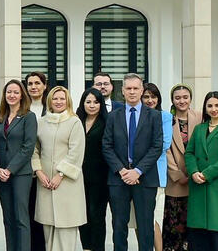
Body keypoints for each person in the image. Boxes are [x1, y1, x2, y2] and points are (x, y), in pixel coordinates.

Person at [102, 73, 162, 251]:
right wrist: (122, 171)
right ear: (122, 91)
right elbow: (107, 146)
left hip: (145, 178)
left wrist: (137, 171)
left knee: (145, 226)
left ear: (142, 90)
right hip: (118, 179)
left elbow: (157, 146)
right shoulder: (113, 116)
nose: (132, 92)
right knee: (119, 226)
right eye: (128, 88)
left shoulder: (154, 116)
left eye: (136, 88)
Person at [183, 92, 218, 251]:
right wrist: (193, 171)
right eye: (210, 106)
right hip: (197, 184)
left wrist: (206, 174)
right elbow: (189, 152)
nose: (213, 109)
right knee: (198, 234)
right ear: (205, 109)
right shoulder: (199, 129)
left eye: (217, 105)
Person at [33, 87, 86, 251]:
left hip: (67, 184)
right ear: (49, 100)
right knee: (48, 230)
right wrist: (39, 171)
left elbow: (76, 152)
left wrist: (61, 174)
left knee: (66, 230)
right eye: (55, 99)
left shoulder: (74, 122)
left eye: (62, 98)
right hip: (45, 183)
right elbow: (34, 150)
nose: (58, 102)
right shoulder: (41, 122)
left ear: (68, 101)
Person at [0, 79, 37, 251]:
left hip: (20, 174)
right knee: (8, 218)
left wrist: (10, 169)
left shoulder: (28, 116)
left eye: (16, 92)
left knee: (21, 217)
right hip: (2, 174)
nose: (12, 95)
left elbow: (28, 147)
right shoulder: (0, 118)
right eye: (9, 92)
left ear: (22, 95)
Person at [162, 84, 200, 251]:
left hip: (196, 178)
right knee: (174, 225)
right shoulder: (166, 119)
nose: (182, 101)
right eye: (177, 98)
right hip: (175, 180)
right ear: (172, 100)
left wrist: (194, 172)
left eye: (185, 97)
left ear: (190, 98)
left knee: (193, 224)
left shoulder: (200, 117)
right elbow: (165, 149)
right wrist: (177, 174)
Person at [136, 83, 173, 251]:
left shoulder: (164, 116)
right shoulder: (134, 116)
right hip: (134, 176)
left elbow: (163, 144)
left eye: (153, 97)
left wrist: (138, 164)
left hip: (155, 173)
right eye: (146, 97)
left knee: (152, 219)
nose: (150, 100)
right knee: (139, 219)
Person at [77, 88, 109, 251]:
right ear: (83, 103)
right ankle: (86, 247)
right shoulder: (76, 121)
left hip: (101, 177)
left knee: (97, 215)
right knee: (83, 215)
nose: (92, 105)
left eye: (96, 102)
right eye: (88, 102)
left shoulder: (107, 121)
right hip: (78, 176)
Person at [24, 72, 49, 251]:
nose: (34, 86)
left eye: (37, 83)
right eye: (30, 83)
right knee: (29, 211)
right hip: (26, 170)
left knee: (44, 214)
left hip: (47, 170)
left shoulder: (52, 108)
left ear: (44, 86)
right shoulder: (21, 109)